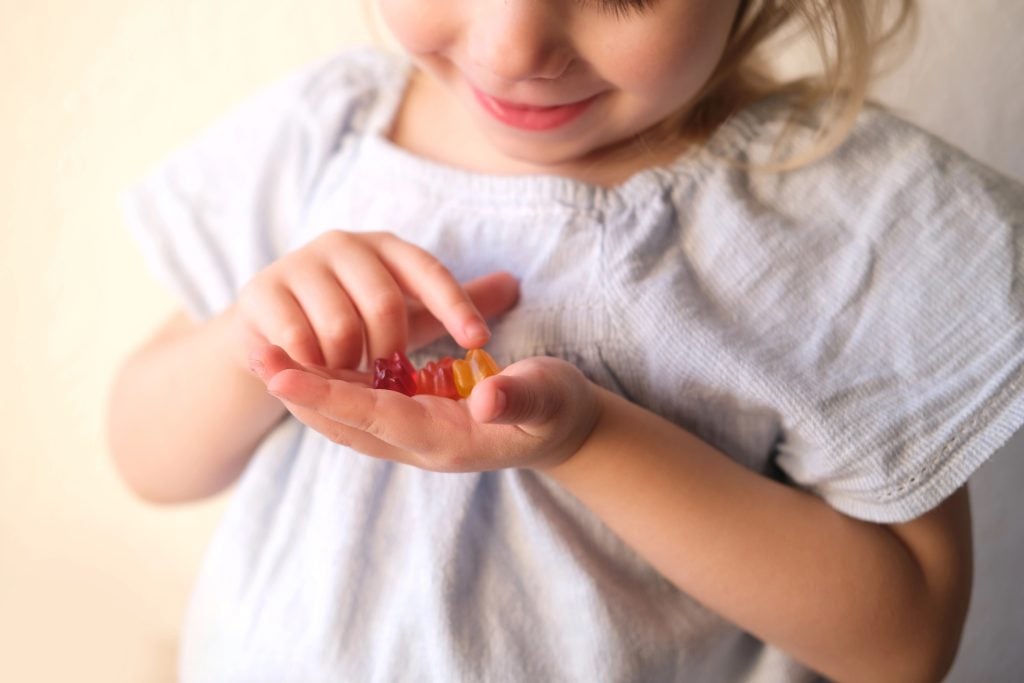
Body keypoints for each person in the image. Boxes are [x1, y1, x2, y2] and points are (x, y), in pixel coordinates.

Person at [108, 0, 1024, 680]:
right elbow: (147, 455)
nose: (510, 47)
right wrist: (253, 338)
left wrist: (587, 440)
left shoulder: (845, 218)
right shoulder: (329, 133)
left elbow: (902, 640)